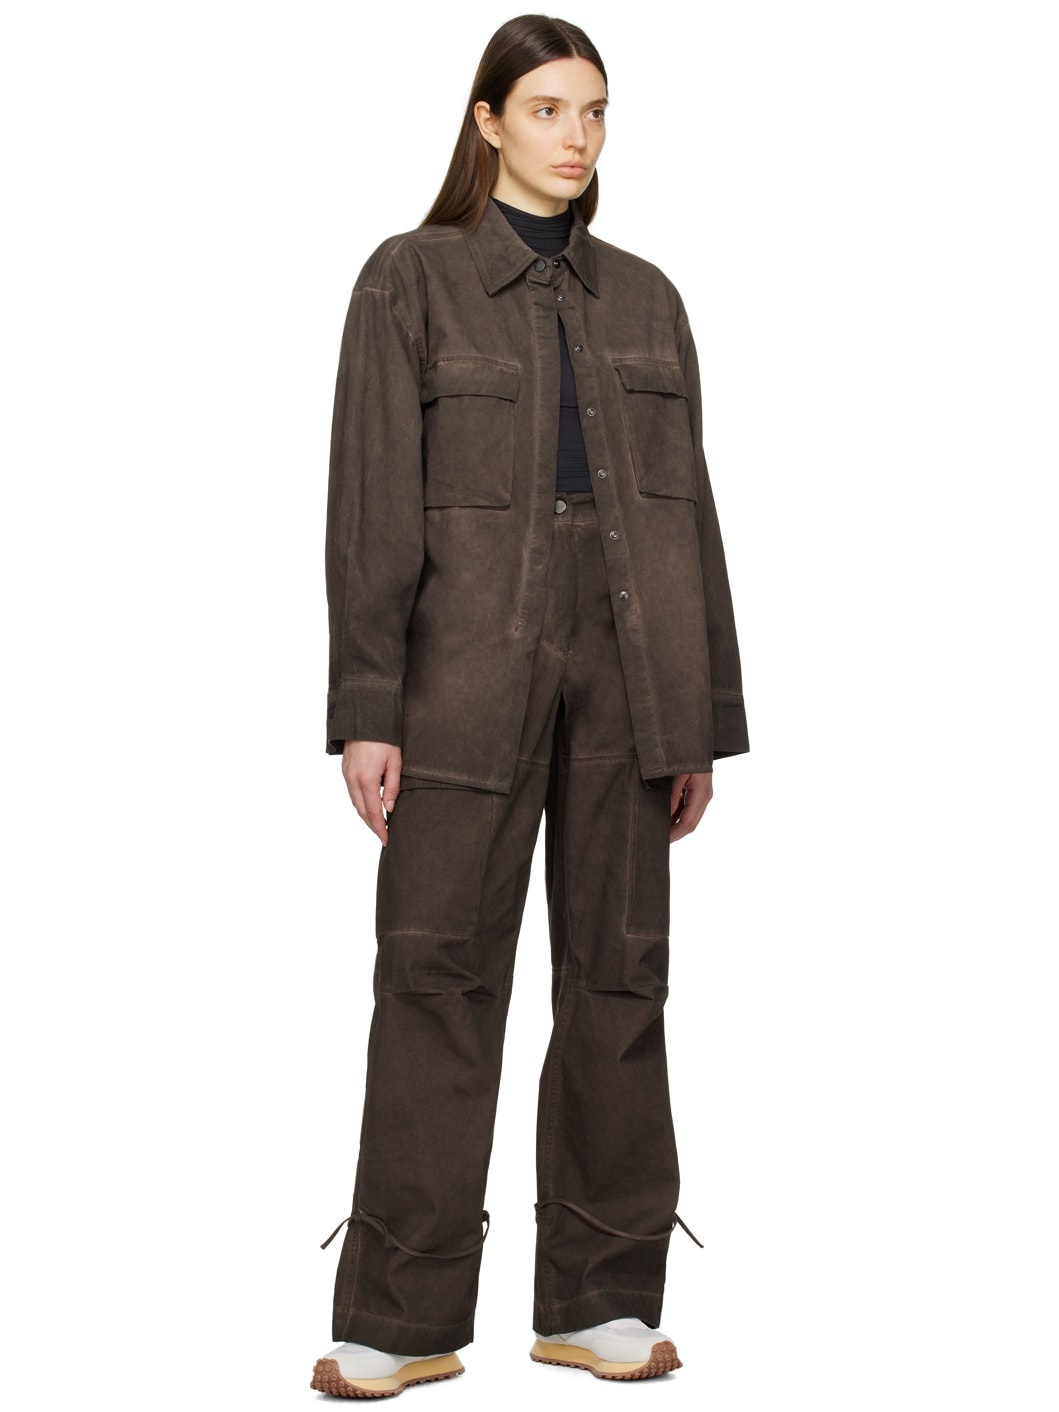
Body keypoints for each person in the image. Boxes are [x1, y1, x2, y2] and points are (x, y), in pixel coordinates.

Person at [312, 13, 749, 1397]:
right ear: (488, 121)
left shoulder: (649, 301)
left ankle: (602, 1301)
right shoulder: (411, 279)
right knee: (436, 978)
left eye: (595, 111)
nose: (577, 136)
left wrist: (699, 714)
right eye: (549, 109)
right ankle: (399, 1319)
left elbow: (690, 524)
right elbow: (372, 509)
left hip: (631, 682)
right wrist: (369, 704)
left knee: (620, 979)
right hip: (461, 681)